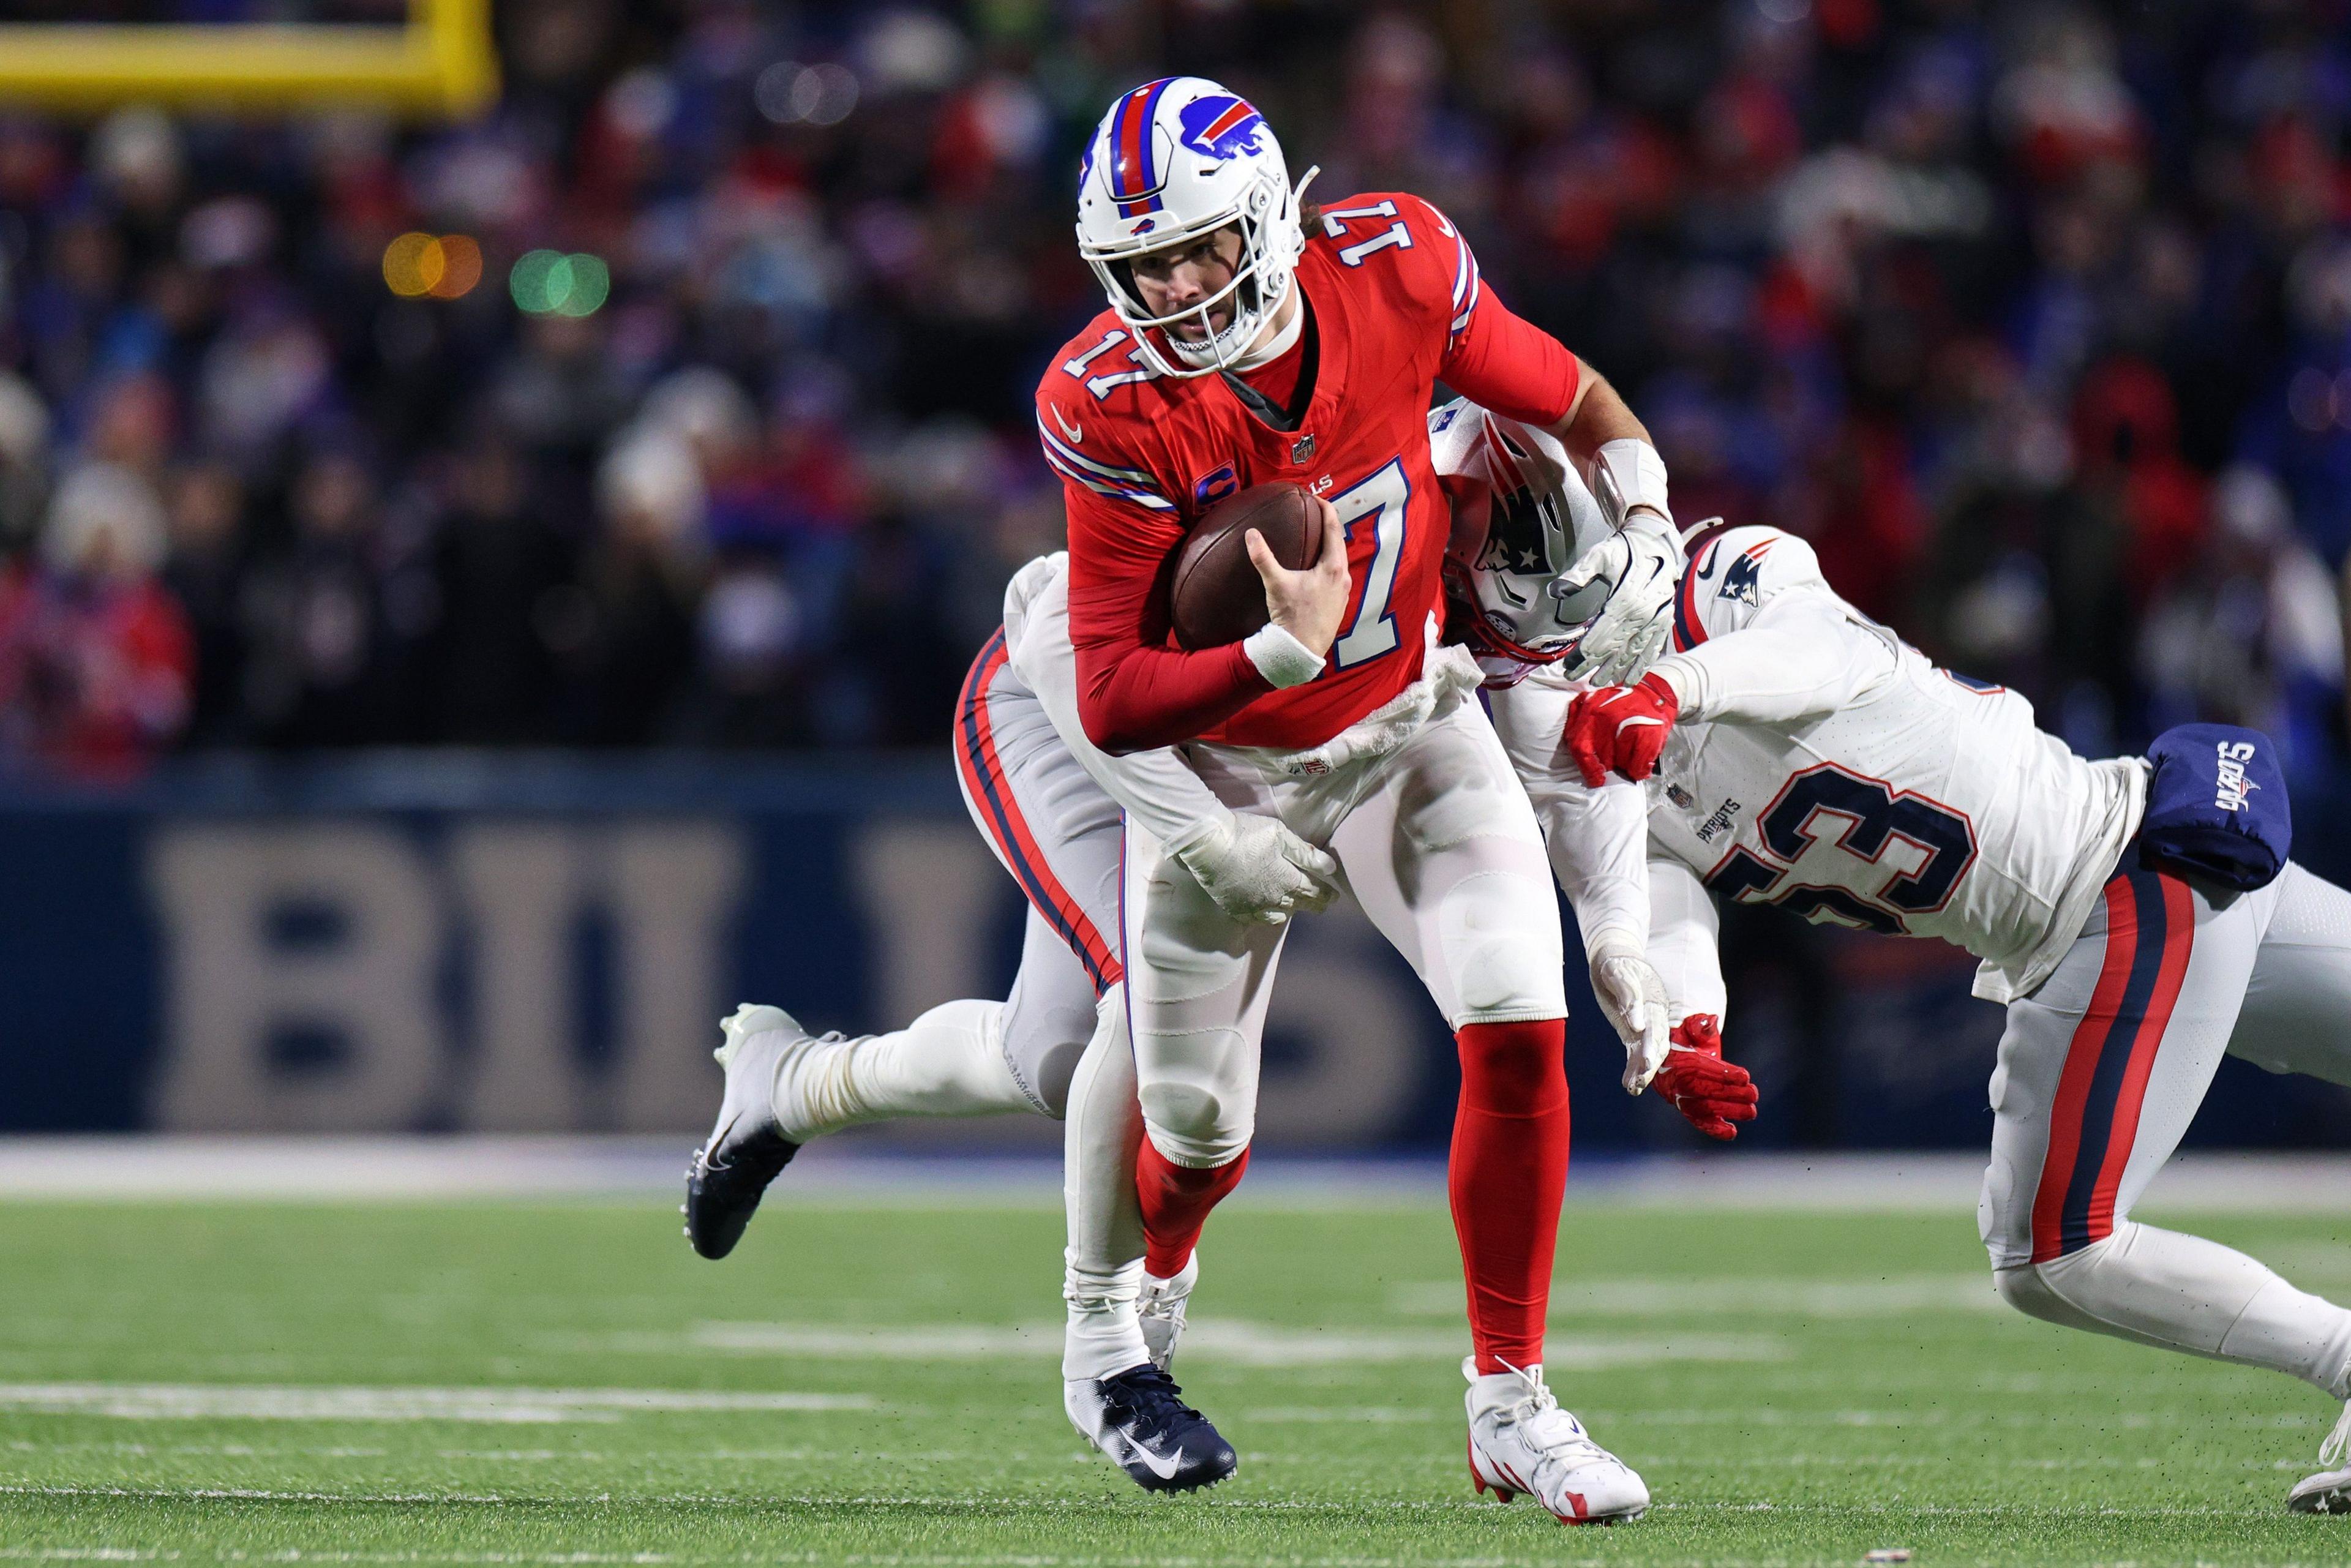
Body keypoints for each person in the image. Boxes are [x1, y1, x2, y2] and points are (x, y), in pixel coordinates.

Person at [686, 392, 1694, 1517]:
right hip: (1079, 719)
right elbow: (1057, 623)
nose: (1519, 660)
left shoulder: (1495, 572)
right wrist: (1209, 838)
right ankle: (1105, 1340)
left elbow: (1561, 742)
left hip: (1294, 735)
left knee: (1062, 1065)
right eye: (1494, 625)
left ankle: (789, 1085)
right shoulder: (1303, 504)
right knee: (1117, 1026)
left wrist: (1615, 932)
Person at [1550, 504, 2351, 1516]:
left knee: (2055, 1252)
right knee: (2050, 1253)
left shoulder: (1731, 575)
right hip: (2138, 886)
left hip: (2114, 882)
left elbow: (1818, 659)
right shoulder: (1596, 756)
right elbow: (1660, 900)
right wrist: (1685, 1017)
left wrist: (1673, 686)